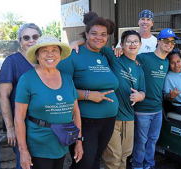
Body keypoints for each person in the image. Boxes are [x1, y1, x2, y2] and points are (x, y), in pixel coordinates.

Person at [70, 30, 146, 169]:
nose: (132, 44)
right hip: (113, 117)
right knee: (113, 157)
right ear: (121, 44)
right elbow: (94, 42)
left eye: (135, 41)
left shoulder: (139, 68)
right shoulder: (113, 57)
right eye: (128, 41)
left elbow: (143, 90)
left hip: (129, 118)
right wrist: (75, 42)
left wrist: (141, 96)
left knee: (125, 155)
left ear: (140, 44)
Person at [57, 12, 119, 169]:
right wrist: (87, 95)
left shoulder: (105, 54)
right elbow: (59, 89)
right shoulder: (73, 55)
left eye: (103, 34)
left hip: (109, 119)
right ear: (86, 34)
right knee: (83, 163)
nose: (99, 37)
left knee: (96, 159)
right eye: (94, 33)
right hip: (84, 120)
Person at [14, 34, 83, 169]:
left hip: (61, 142)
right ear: (37, 55)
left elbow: (76, 112)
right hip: (39, 144)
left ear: (60, 54)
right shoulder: (27, 79)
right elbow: (19, 118)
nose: (50, 54)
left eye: (54, 50)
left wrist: (79, 141)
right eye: (44, 50)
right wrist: (23, 150)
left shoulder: (67, 78)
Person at [131, 28, 177, 169]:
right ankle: (138, 165)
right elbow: (127, 62)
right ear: (158, 41)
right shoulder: (144, 57)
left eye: (172, 42)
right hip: (142, 109)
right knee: (141, 141)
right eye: (166, 41)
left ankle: (149, 165)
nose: (169, 44)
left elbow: (179, 68)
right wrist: (119, 50)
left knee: (152, 141)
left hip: (157, 109)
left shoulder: (167, 63)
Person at [0, 23, 42, 169]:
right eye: (26, 37)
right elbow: (3, 96)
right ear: (20, 42)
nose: (31, 40)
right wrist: (10, 128)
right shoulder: (12, 62)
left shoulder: (46, 60)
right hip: (21, 125)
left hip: (43, 126)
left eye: (35, 36)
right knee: (25, 163)